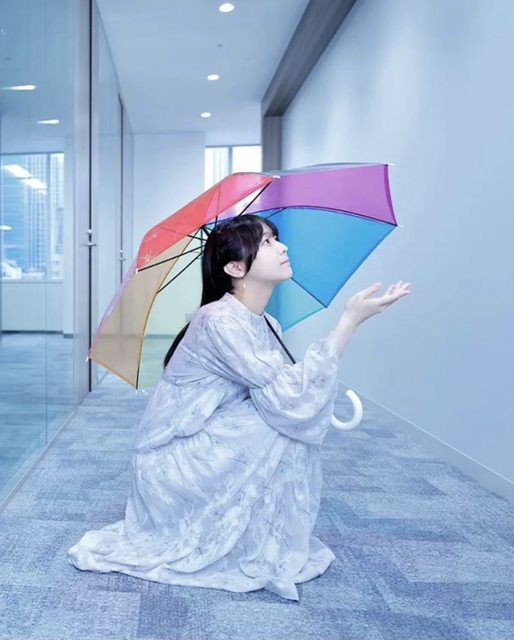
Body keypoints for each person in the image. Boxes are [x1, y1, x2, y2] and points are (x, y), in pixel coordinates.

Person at [68, 214, 411, 601]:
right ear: (235, 268)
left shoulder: (266, 323)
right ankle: (251, 540)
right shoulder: (217, 320)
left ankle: (262, 535)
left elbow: (284, 396)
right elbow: (289, 401)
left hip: (211, 437)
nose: (282, 247)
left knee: (277, 424)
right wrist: (349, 321)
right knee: (276, 428)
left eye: (276, 239)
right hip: (171, 459)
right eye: (266, 243)